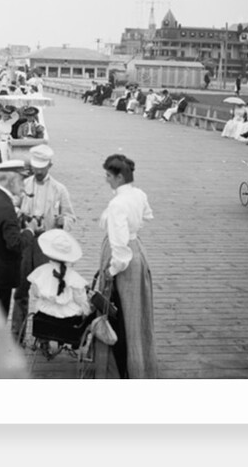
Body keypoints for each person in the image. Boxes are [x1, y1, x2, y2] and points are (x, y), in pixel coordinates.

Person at [95, 154, 158, 378]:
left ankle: (120, 369)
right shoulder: (138, 194)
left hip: (124, 261)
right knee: (136, 315)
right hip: (138, 251)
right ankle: (140, 363)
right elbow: (148, 216)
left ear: (119, 177)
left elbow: (120, 250)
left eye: (108, 176)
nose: (106, 179)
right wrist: (134, 223)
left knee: (119, 315)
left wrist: (111, 271)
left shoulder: (117, 204)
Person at [12, 144, 77, 339]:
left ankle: (43, 336)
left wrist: (62, 221)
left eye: (42, 168)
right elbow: (11, 207)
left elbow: (71, 216)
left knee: (46, 291)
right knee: (21, 288)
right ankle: (17, 333)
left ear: (50, 166)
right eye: (35, 168)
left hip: (47, 246)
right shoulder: (23, 185)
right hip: (26, 242)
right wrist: (20, 215)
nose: (38, 172)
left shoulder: (59, 189)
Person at [0, 160, 38, 325]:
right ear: (13, 181)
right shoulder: (6, 208)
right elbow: (15, 244)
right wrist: (29, 230)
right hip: (0, 275)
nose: (23, 186)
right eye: (21, 180)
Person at [27, 229, 92, 352]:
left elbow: (34, 294)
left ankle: (43, 341)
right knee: (85, 311)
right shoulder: (74, 278)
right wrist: (87, 310)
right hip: (67, 319)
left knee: (42, 306)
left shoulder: (41, 272)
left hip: (44, 316)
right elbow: (81, 301)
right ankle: (75, 344)